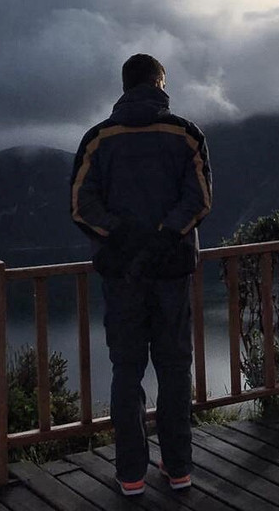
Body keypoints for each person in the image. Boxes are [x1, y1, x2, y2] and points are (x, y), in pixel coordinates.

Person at [70, 54, 212, 495]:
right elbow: (200, 199)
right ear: (159, 83)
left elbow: (81, 206)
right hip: (173, 272)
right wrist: (166, 234)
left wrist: (121, 235)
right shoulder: (186, 134)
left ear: (125, 86)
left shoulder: (98, 139)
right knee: (175, 368)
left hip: (122, 275)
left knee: (127, 369)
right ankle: (179, 468)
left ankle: (131, 474)